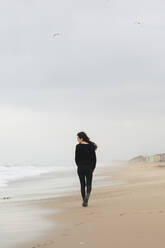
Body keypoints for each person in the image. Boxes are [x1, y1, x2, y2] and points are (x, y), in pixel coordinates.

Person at [75, 131, 97, 207]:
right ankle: (86, 199)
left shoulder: (78, 146)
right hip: (89, 168)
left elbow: (76, 159)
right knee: (89, 184)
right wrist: (92, 168)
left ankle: (84, 201)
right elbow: (94, 159)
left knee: (82, 185)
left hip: (80, 168)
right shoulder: (91, 146)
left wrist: (79, 166)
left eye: (78, 138)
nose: (77, 139)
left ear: (81, 138)